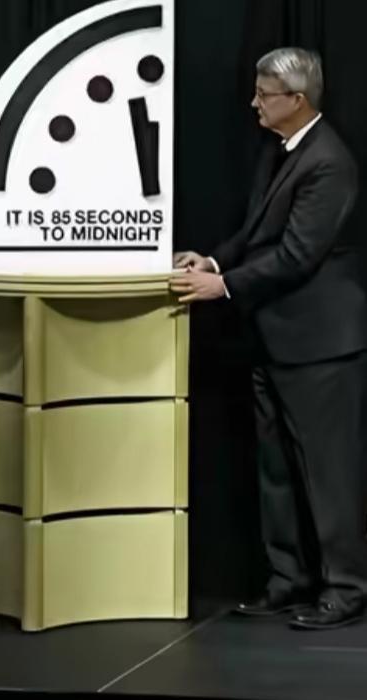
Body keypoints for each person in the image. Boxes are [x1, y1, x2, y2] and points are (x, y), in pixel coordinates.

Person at [171, 48, 367, 630]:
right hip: (273, 338)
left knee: (330, 476)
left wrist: (224, 286)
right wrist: (212, 260)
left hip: (321, 344)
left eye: (264, 94)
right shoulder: (279, 150)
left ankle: (347, 588)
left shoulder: (329, 162)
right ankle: (289, 581)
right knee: (276, 470)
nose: (254, 103)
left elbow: (297, 255)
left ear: (297, 101)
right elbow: (257, 234)